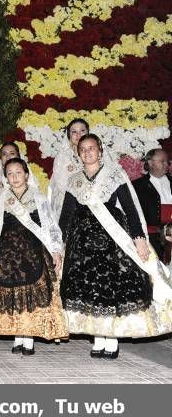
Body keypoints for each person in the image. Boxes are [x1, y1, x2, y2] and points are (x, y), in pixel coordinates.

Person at [59, 134, 172, 359]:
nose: (88, 152)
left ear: (100, 151)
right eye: (83, 149)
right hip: (82, 242)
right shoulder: (74, 180)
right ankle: (97, 338)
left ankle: (111, 340)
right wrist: (60, 243)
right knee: (90, 289)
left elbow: (131, 209)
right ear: (78, 153)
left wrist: (139, 240)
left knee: (110, 288)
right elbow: (66, 215)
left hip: (111, 239)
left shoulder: (115, 175)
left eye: (92, 148)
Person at [0, 158, 68, 355]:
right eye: (10, 174)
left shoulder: (39, 198)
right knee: (14, 296)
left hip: (33, 252)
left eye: (18, 172)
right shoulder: (2, 199)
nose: (14, 177)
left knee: (30, 295)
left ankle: (28, 337)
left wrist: (55, 249)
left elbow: (50, 224)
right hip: (7, 254)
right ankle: (17, 336)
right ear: (6, 178)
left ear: (27, 175)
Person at [132, 149, 172, 261]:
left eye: (167, 162)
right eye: (162, 161)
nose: (166, 164)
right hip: (151, 239)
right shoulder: (137, 186)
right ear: (150, 162)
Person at [49, 118, 89, 220]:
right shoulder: (62, 157)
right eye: (74, 132)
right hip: (68, 202)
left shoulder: (97, 154)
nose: (78, 134)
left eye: (82, 131)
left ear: (88, 133)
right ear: (69, 136)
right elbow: (61, 184)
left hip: (94, 199)